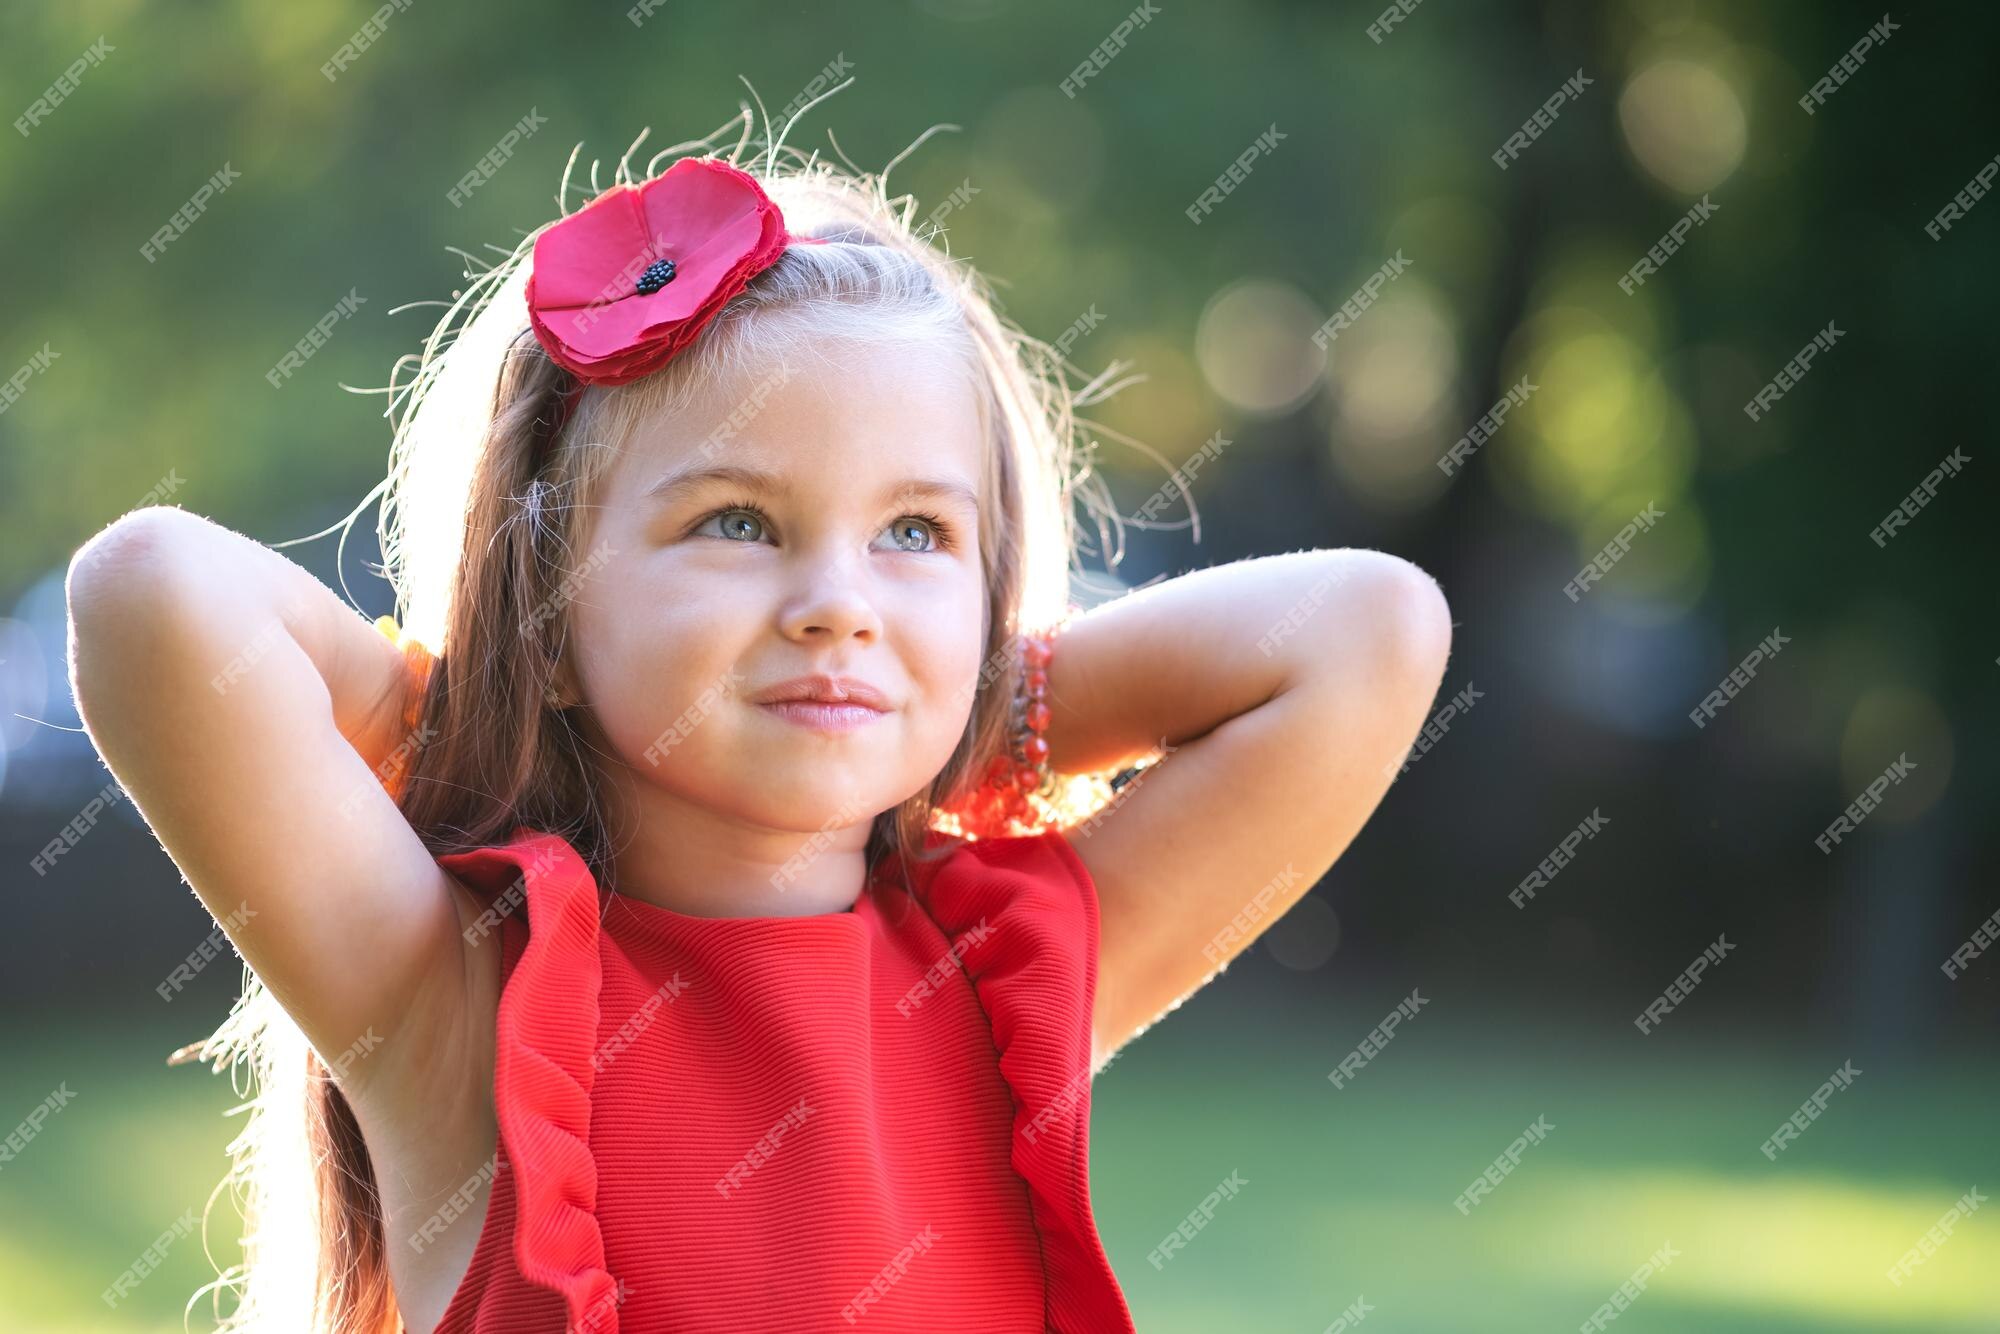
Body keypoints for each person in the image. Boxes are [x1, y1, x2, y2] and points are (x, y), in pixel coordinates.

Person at [64, 113, 1453, 1333]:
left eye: (913, 531)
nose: (838, 604)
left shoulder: (996, 978)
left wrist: (962, 699)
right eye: (739, 521)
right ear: (549, 607)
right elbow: (153, 596)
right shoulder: (451, 1005)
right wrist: (497, 687)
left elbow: (1370, 631)